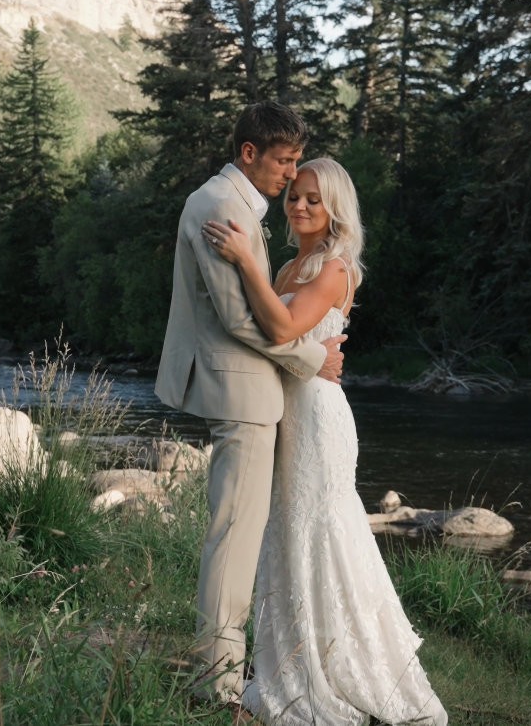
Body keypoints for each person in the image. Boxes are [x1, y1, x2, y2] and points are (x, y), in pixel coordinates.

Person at [202, 157, 448, 726]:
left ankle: (344, 666)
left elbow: (284, 330)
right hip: (283, 409)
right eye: (294, 195)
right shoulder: (289, 265)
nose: (300, 205)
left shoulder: (334, 268)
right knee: (285, 531)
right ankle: (286, 660)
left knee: (323, 531)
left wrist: (242, 259)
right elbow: (260, 329)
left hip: (316, 416)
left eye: (314, 198)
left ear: (335, 206)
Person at [155, 101, 347, 709]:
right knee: (233, 539)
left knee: (238, 538)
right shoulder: (218, 207)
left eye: (296, 163)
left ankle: (230, 672)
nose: (291, 176)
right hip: (240, 392)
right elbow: (241, 319)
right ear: (248, 153)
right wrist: (314, 359)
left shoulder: (238, 207)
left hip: (254, 395)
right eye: (284, 161)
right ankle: (215, 690)